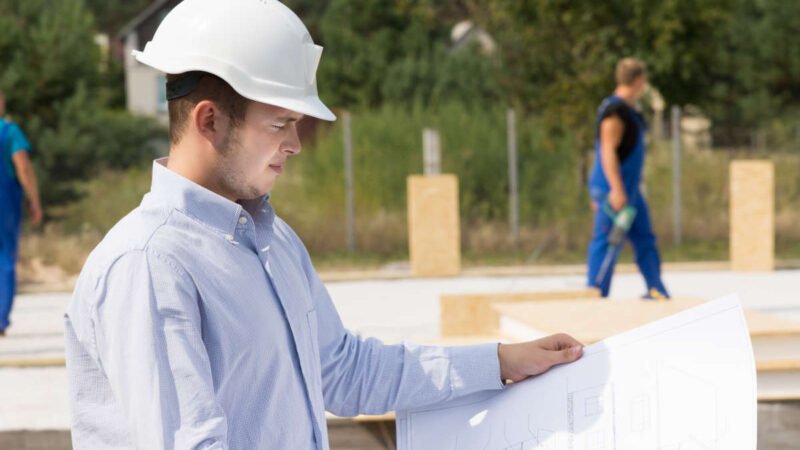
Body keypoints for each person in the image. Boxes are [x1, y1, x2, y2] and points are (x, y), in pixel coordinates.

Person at [64, 1, 584, 448]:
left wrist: (499, 362)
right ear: (209, 120)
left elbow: (343, 370)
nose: (295, 143)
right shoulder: (150, 264)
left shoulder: (270, 240)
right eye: (280, 123)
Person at [586, 57, 670, 300]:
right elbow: (607, 151)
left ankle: (657, 289)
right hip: (613, 191)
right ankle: (595, 294)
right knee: (607, 243)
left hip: (632, 191)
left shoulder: (631, 110)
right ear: (639, 80)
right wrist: (616, 189)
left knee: (645, 239)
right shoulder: (615, 112)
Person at [0, 89, 43, 336]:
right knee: (5, 259)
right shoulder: (9, 131)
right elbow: (24, 167)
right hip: (4, 203)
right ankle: (1, 320)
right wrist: (34, 201)